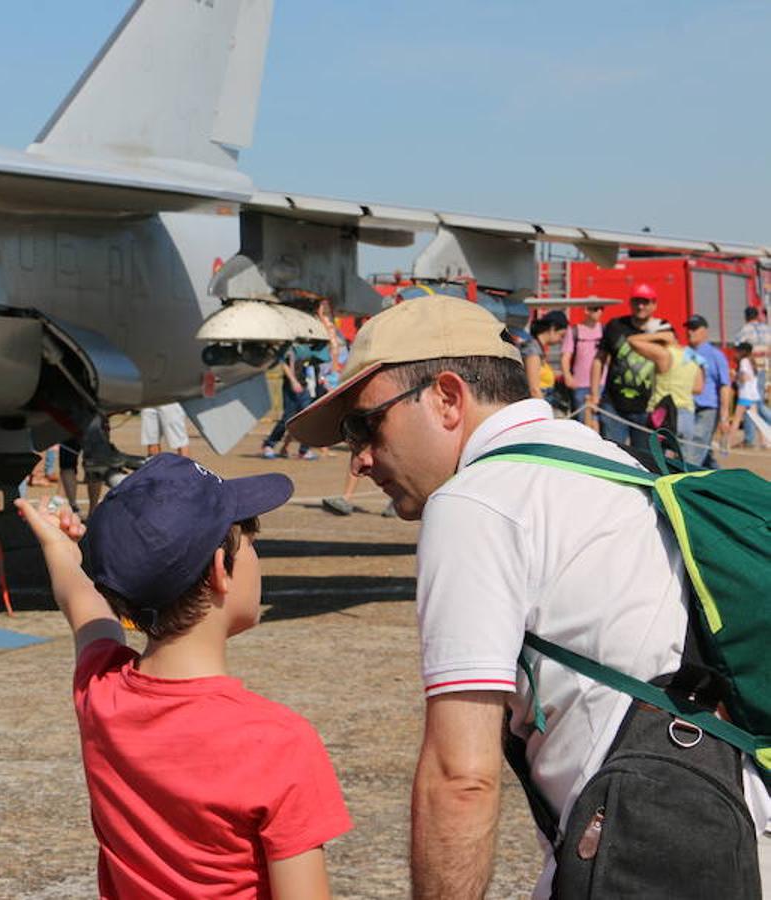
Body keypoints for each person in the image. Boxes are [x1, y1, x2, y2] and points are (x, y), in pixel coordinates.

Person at [286, 295, 769, 899]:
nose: (359, 461)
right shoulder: (600, 457)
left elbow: (460, 776)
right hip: (732, 834)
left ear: (446, 396)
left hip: (645, 856)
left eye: (365, 425)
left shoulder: (475, 502)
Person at [14, 455, 351, 899]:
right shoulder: (280, 743)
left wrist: (58, 548)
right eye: (251, 542)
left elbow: (85, 606)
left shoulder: (101, 693)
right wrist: (63, 550)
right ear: (219, 570)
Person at [591, 284, 659, 448]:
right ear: (630, 303)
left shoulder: (662, 331)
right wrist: (594, 394)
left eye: (645, 302)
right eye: (636, 301)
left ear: (654, 305)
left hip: (647, 407)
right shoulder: (615, 326)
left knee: (645, 461)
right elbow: (599, 359)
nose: (640, 306)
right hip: (613, 405)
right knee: (613, 456)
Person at [627, 324, 704, 460]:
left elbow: (632, 341)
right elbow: (698, 388)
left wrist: (658, 336)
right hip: (687, 414)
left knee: (660, 465)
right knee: (684, 464)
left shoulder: (664, 353)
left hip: (664, 416)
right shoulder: (691, 358)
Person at [684, 315, 733, 467]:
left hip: (707, 409)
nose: (690, 332)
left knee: (693, 452)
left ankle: (687, 482)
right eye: (688, 328)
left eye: (694, 328)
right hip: (686, 408)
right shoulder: (684, 353)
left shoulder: (716, 355)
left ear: (705, 331)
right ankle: (720, 480)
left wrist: (724, 417)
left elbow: (725, 386)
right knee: (702, 453)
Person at [261, 343, 317, 460]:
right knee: (287, 418)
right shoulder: (289, 346)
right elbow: (284, 363)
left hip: (304, 386)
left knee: (307, 418)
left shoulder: (307, 345)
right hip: (291, 387)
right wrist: (293, 381)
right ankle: (269, 445)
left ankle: (304, 450)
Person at [559, 303, 605, 429]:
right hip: (580, 384)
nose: (599, 311)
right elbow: (565, 356)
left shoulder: (604, 330)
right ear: (586, 310)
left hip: (602, 384)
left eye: (602, 308)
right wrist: (568, 376)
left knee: (601, 422)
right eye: (596, 308)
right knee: (583, 424)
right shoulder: (574, 331)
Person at [520, 311, 567, 409]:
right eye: (561, 335)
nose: (561, 340)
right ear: (552, 329)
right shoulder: (532, 350)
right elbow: (534, 389)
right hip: (536, 405)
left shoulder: (537, 348)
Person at [731, 341, 768, 450]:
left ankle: (727, 442)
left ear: (743, 352)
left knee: (736, 420)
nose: (736, 352)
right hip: (753, 395)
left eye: (738, 350)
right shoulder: (751, 361)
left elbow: (744, 377)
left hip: (745, 395)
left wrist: (735, 376)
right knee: (757, 421)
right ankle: (765, 442)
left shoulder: (743, 361)